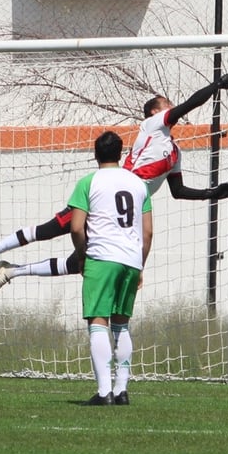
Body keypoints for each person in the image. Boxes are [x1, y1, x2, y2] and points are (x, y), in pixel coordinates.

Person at [0, 73, 228, 298]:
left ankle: (12, 272)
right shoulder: (153, 126)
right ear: (155, 112)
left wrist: (215, 192)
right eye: (167, 104)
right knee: (51, 229)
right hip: (107, 195)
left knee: (80, 264)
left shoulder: (174, 152)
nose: (173, 108)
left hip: (128, 211)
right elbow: (190, 104)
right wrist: (217, 85)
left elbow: (179, 191)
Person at [69, 131, 152, 405]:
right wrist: (139, 264)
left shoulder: (88, 182)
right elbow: (148, 232)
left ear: (95, 154)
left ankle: (104, 392)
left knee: (97, 321)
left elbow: (77, 226)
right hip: (130, 259)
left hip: (102, 257)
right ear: (121, 153)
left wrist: (82, 256)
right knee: (122, 324)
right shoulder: (139, 184)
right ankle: (122, 389)